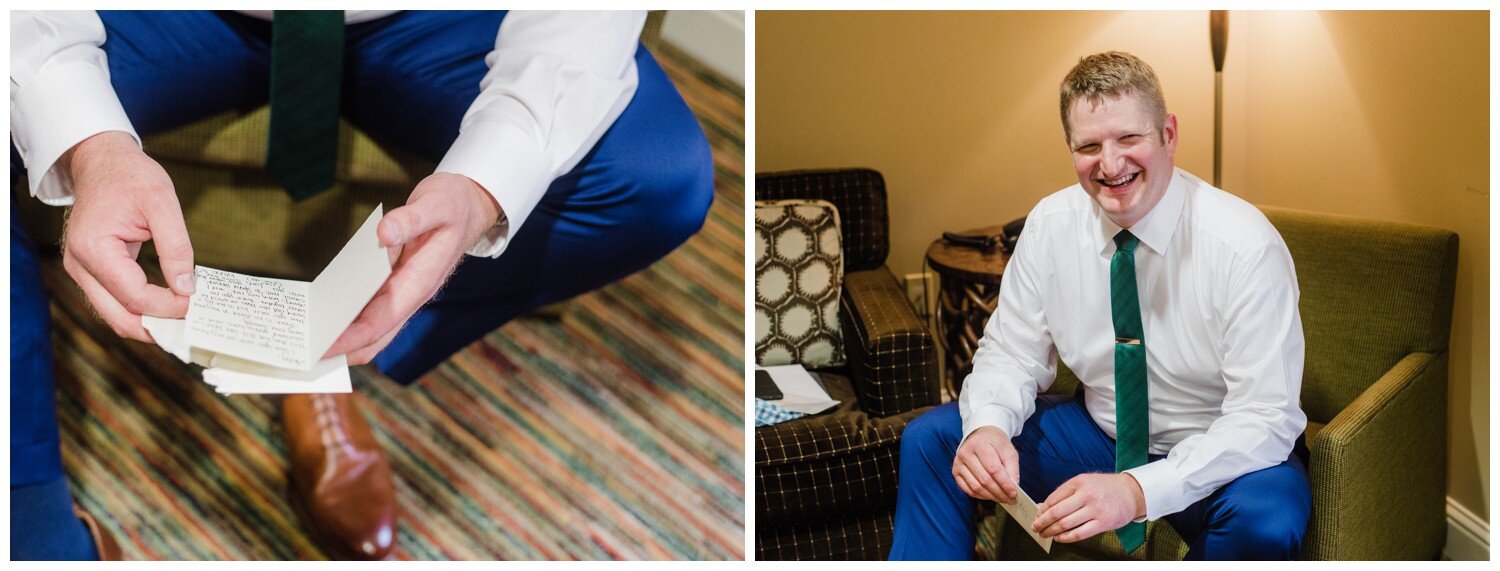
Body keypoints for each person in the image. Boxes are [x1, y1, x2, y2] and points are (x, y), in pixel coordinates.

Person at [10, 10, 713, 560]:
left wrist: (485, 184)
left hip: (431, 16)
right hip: (170, 13)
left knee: (657, 178)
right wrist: (89, 141)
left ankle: (321, 356)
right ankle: (26, 502)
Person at [887, 51, 1311, 561]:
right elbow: (1012, 353)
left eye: (1129, 139)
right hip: (1098, 435)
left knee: (1269, 517)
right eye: (1089, 146)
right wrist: (989, 427)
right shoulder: (1050, 225)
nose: (1110, 165)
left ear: (1169, 135)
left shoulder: (1244, 246)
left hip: (1219, 451)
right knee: (932, 440)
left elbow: (1265, 416)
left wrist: (1136, 489)